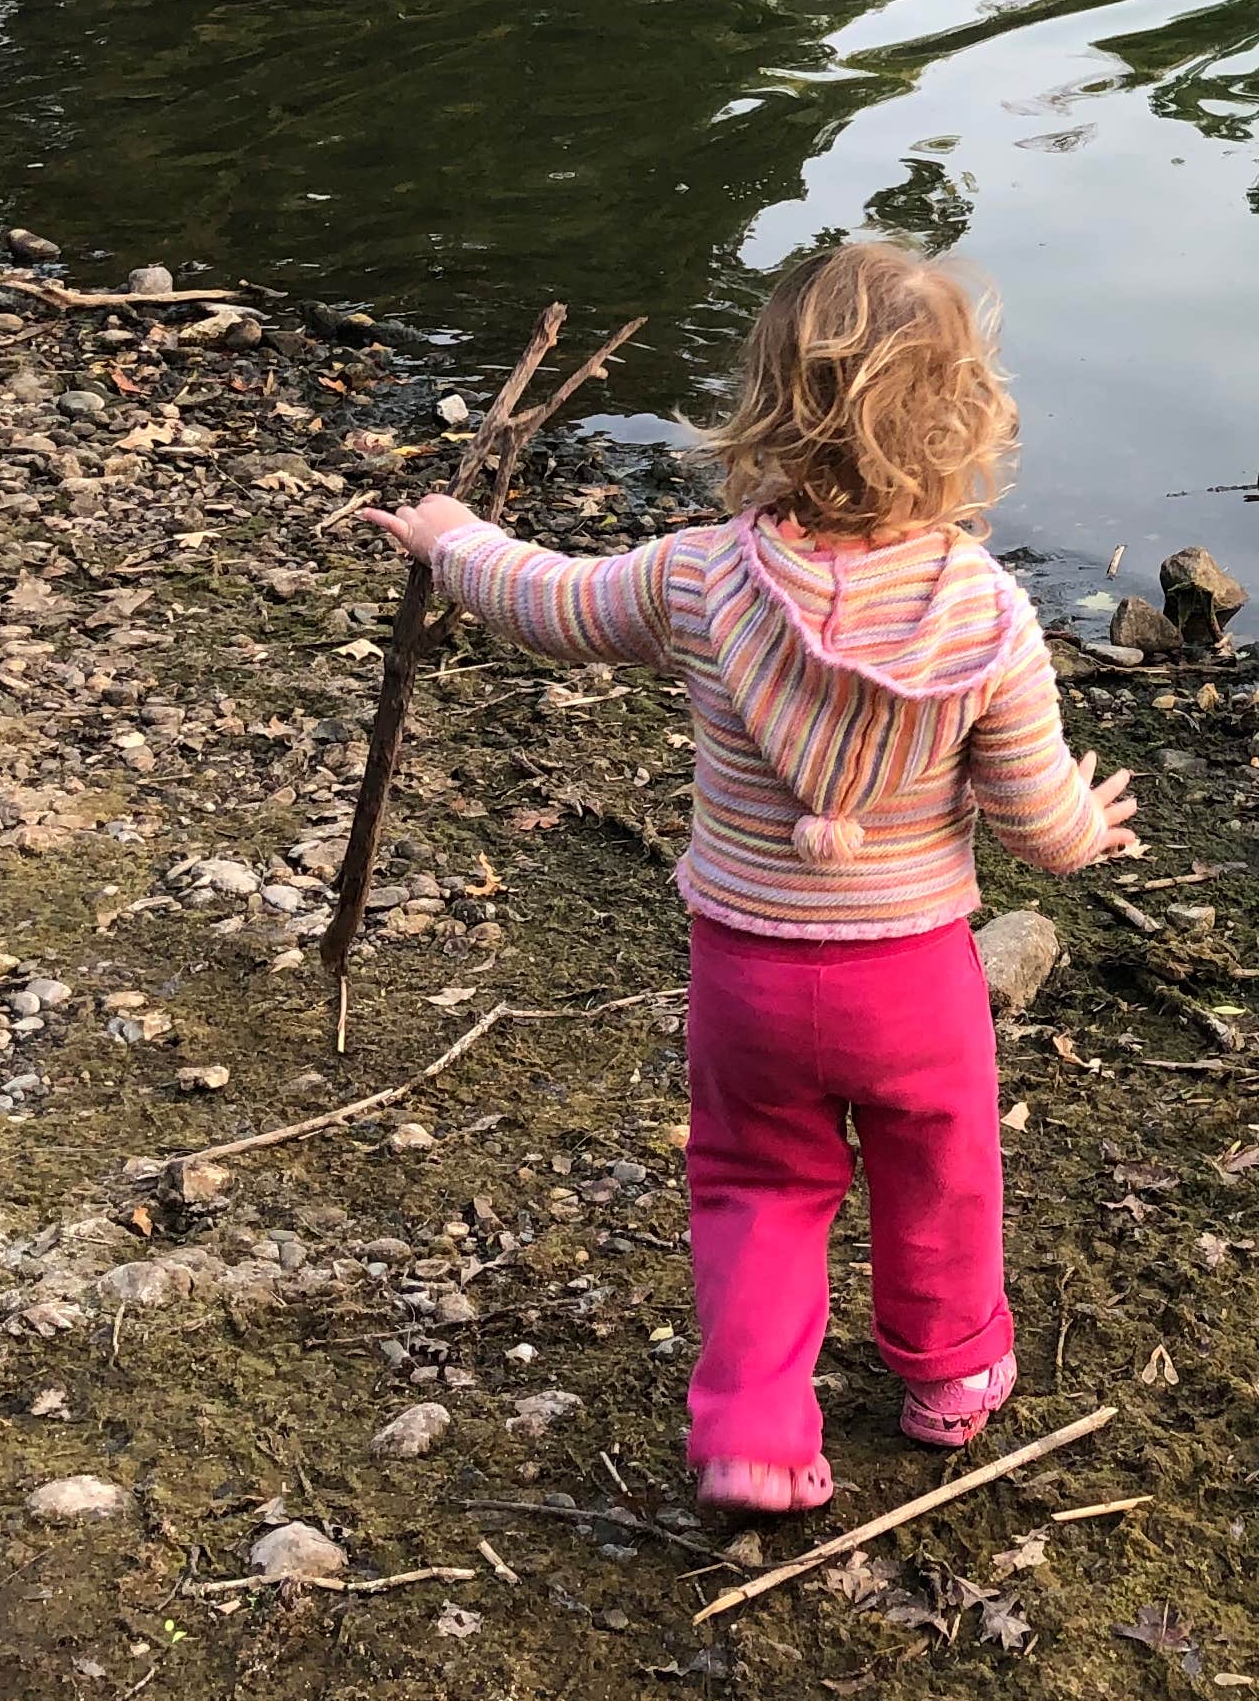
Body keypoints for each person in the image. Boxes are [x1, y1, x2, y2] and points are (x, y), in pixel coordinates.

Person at [371, 241, 1136, 1513]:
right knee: (942, 1169)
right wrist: (1089, 827)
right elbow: (1034, 827)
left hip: (751, 975)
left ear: (768, 404)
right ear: (964, 420)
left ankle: (754, 1439)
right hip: (912, 978)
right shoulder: (988, 616)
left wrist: (455, 540)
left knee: (759, 1187)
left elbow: (551, 603)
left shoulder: (697, 576)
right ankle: (950, 1375)